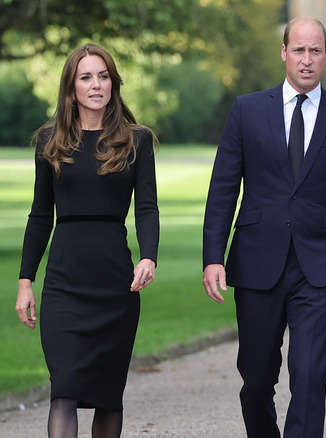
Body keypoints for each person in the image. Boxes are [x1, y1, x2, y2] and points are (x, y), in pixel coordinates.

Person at [201, 16, 326, 438]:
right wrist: (213, 258)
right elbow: (223, 189)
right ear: (284, 53)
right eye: (299, 50)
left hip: (318, 266)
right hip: (257, 260)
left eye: (315, 51)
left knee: (311, 375)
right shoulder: (247, 110)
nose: (307, 59)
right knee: (257, 381)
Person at [14, 43, 159, 438]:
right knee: (64, 391)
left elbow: (147, 207)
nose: (96, 85)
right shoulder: (50, 141)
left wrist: (149, 257)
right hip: (64, 283)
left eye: (103, 76)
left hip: (115, 284)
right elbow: (41, 214)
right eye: (86, 77)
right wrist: (26, 281)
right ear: (71, 88)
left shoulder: (137, 140)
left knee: (109, 396)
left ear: (113, 82)